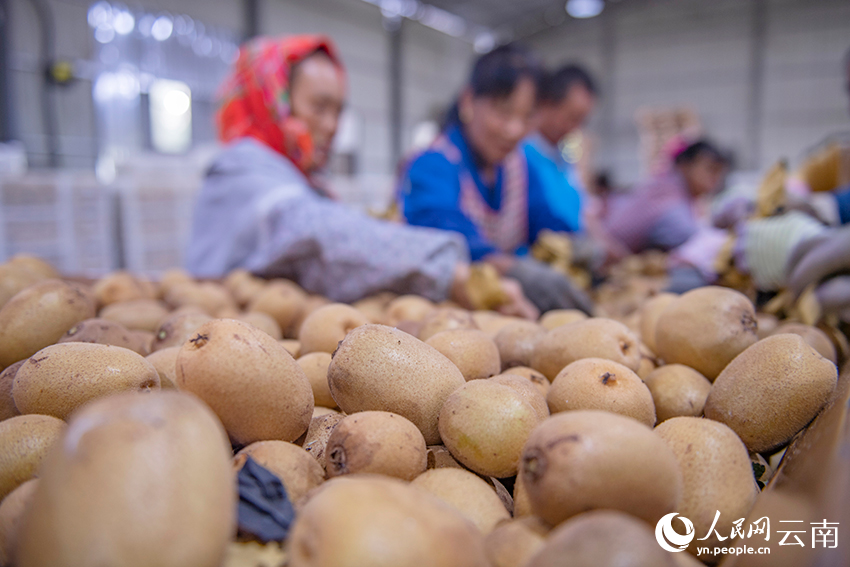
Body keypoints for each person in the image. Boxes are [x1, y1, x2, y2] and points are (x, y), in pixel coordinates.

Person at [185, 35, 536, 317]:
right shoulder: (242, 165)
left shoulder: (299, 179)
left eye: (338, 111)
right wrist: (452, 272)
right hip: (223, 335)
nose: (332, 126)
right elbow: (312, 230)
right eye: (319, 107)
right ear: (271, 100)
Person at [399, 45, 594, 314]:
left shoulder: (520, 168)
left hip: (506, 309)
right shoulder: (432, 164)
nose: (514, 130)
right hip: (444, 309)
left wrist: (574, 244)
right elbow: (444, 235)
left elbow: (543, 220)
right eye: (503, 111)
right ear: (468, 101)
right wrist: (513, 269)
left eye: (526, 117)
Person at [603, 139, 729, 254]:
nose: (714, 178)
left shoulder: (676, 189)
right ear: (684, 166)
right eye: (710, 169)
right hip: (608, 255)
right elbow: (684, 233)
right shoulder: (667, 192)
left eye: (719, 172)